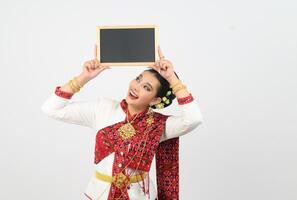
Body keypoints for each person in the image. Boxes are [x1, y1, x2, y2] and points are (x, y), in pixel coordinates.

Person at [41, 44, 203, 200]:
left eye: (146, 88)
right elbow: (51, 109)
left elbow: (194, 119)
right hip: (98, 194)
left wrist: (172, 78)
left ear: (155, 100)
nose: (136, 87)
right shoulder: (103, 109)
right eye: (138, 79)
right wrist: (84, 77)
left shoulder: (159, 125)